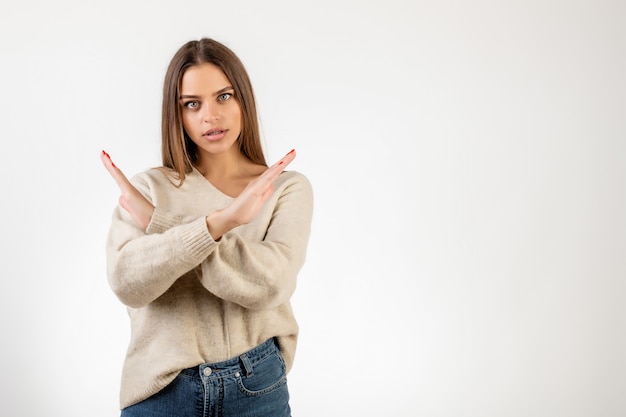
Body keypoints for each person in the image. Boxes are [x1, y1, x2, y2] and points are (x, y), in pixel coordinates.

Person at [100, 38, 313, 417]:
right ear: (176, 115)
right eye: (192, 104)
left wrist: (160, 225)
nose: (210, 116)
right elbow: (128, 282)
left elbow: (270, 284)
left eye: (224, 96)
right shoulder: (148, 189)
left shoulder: (283, 188)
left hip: (257, 387)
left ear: (243, 99)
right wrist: (221, 222)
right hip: (162, 391)